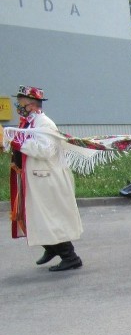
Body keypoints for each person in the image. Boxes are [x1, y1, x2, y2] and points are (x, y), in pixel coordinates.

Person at [3, 85, 83, 271]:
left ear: (31, 104)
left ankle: (69, 256)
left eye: (21, 102)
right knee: (35, 218)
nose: (18, 105)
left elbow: (45, 150)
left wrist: (15, 140)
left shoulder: (44, 123)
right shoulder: (29, 123)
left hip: (47, 180)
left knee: (51, 218)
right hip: (35, 179)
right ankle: (51, 247)